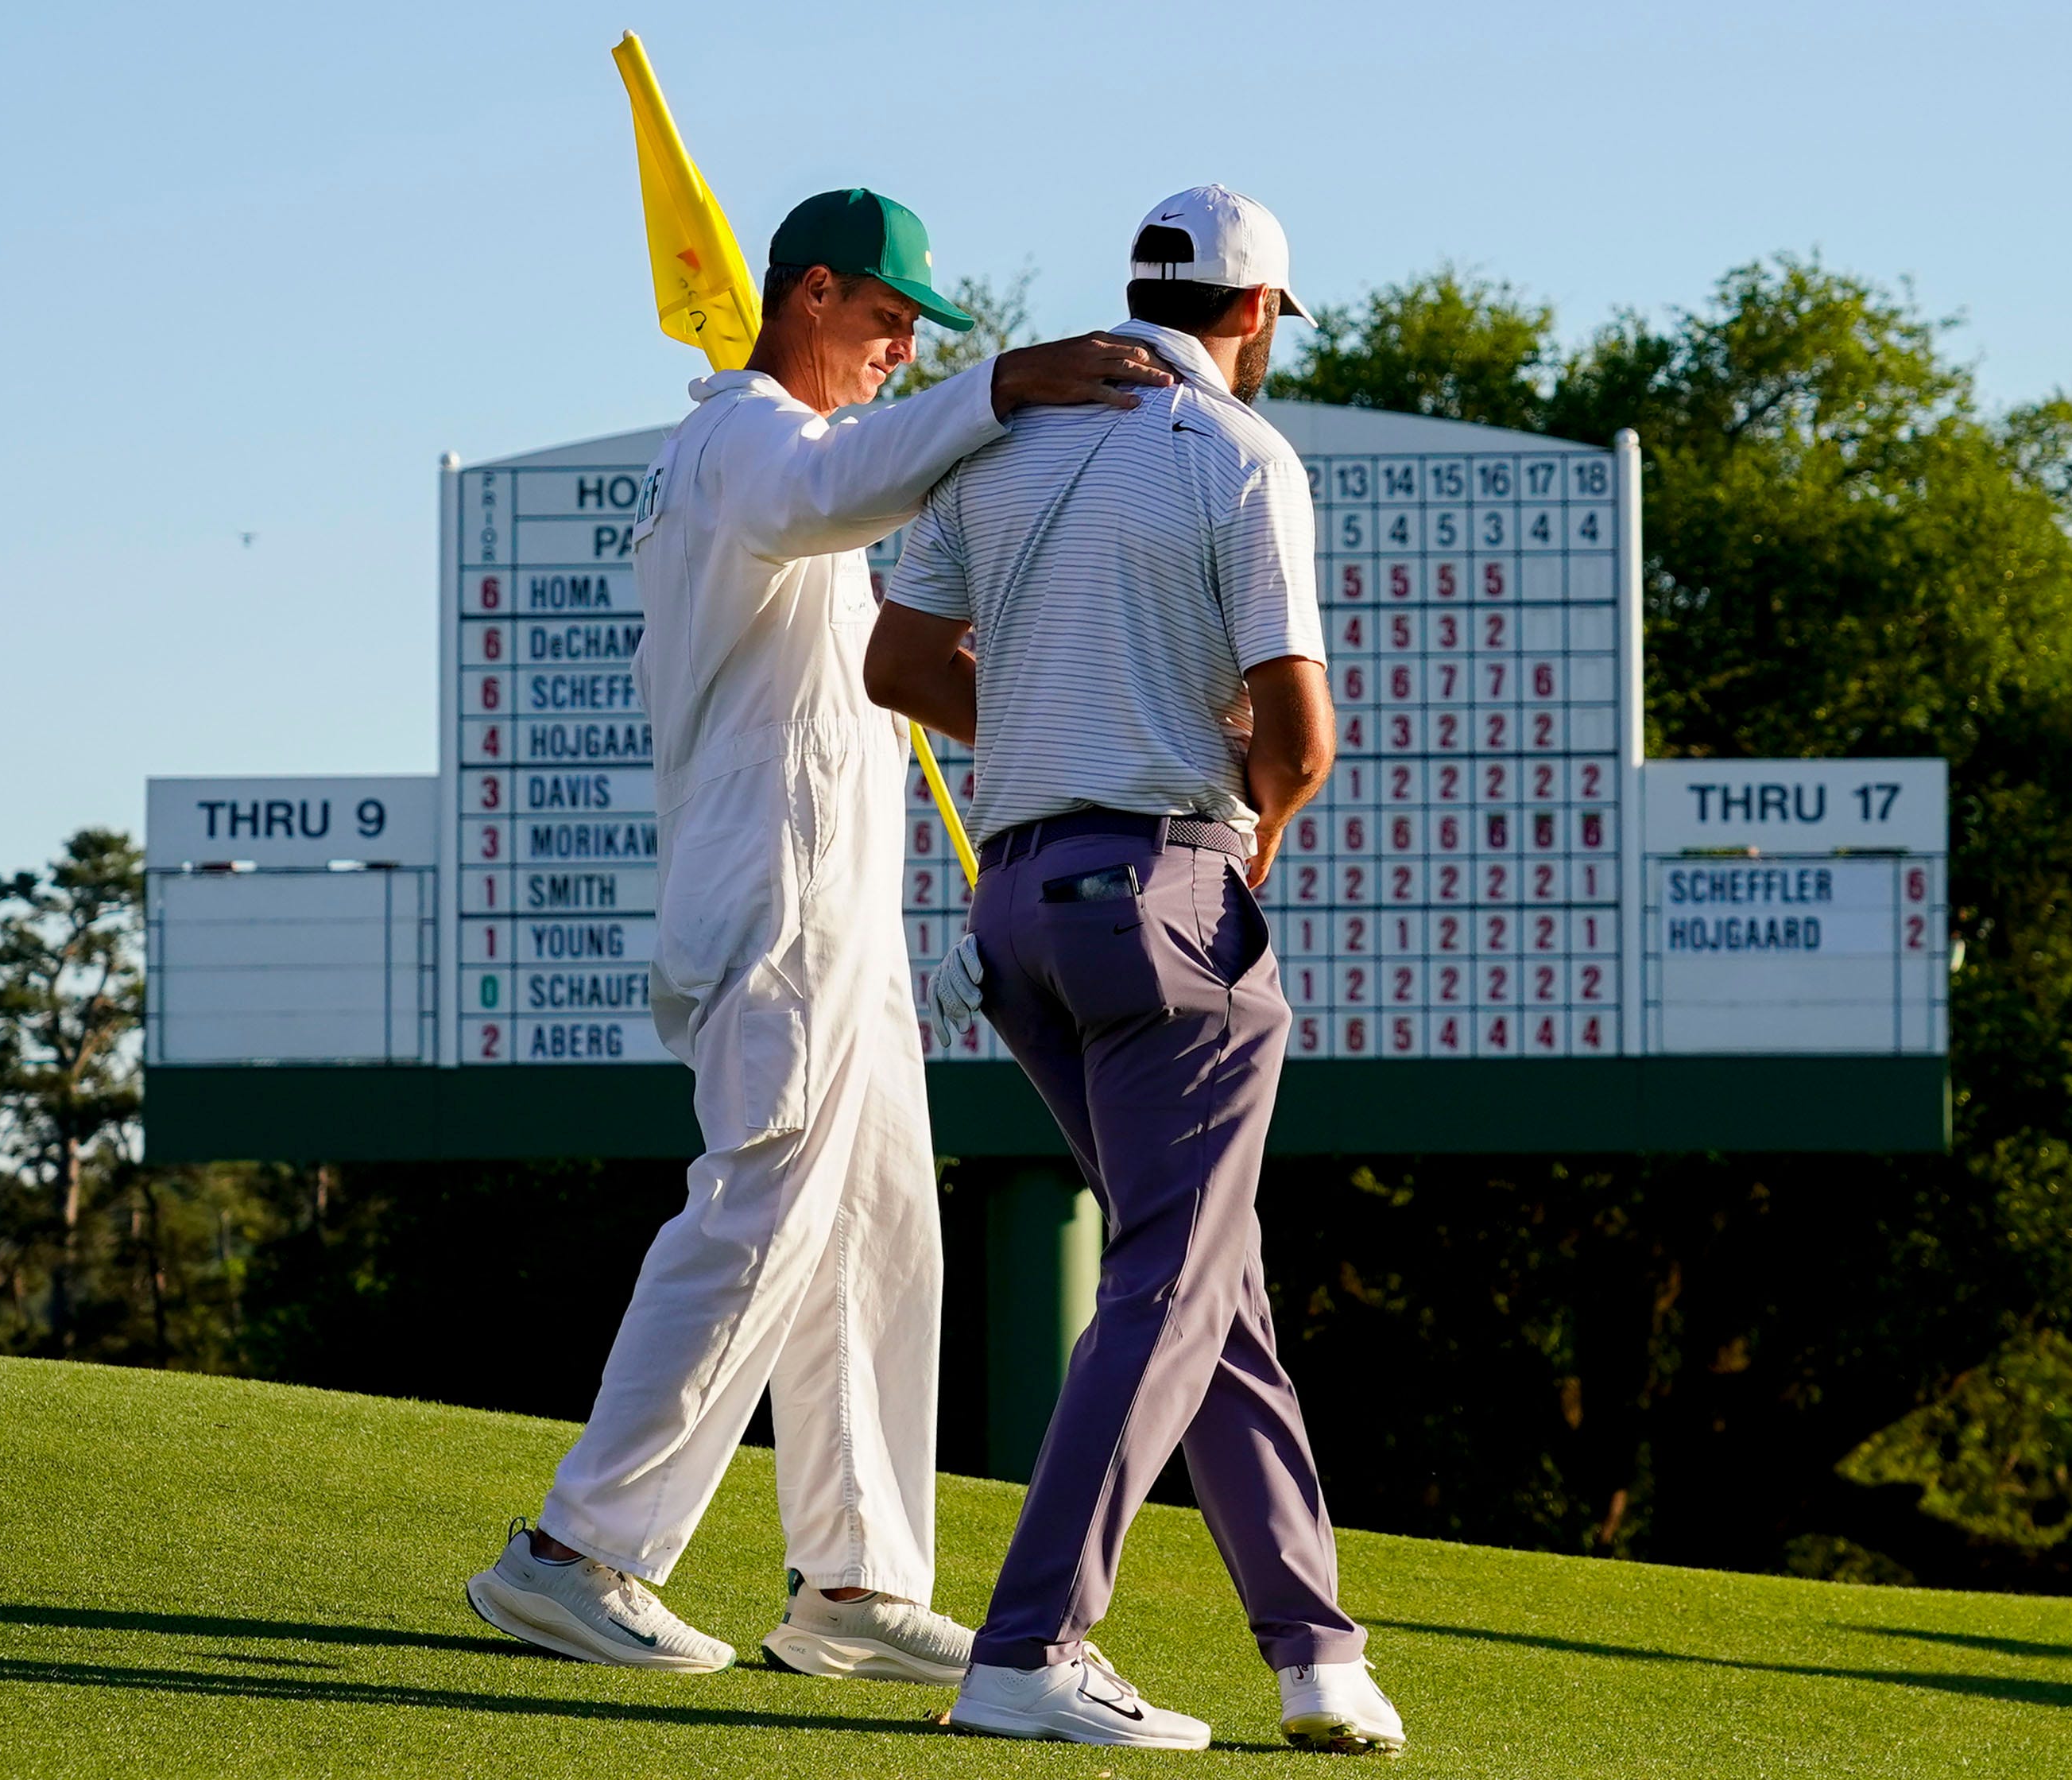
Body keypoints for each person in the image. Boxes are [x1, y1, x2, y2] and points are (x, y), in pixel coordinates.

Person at [464, 188, 1172, 1683]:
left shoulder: (798, 465)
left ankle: (854, 1587)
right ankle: (577, 1551)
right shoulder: (742, 442)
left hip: (839, 909)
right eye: (887, 318)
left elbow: (882, 624)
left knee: (876, 1224)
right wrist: (1009, 385)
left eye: (924, 332)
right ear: (813, 295)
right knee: (767, 1207)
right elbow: (826, 486)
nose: (904, 346)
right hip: (773, 898)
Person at [863, 185, 1404, 1753]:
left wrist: (1047, 732)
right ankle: (1030, 1642)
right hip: (1165, 892)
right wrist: (1262, 832)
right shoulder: (1243, 455)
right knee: (1171, 1274)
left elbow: (899, 664)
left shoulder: (1001, 443)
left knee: (1202, 1271)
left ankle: (1316, 1652)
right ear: (1255, 313)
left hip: (1018, 907)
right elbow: (1298, 732)